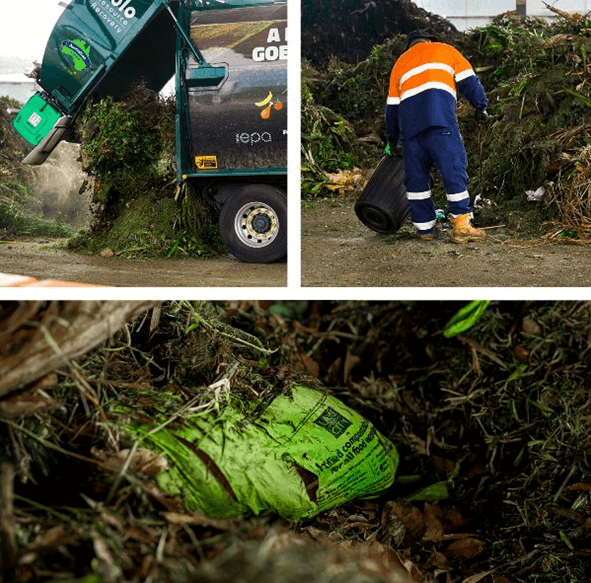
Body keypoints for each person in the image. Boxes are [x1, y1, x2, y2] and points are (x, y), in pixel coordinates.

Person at [385, 29, 489, 243]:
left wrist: (392, 139)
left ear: (410, 46)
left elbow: (392, 108)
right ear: (431, 41)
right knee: (453, 170)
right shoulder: (445, 50)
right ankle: (461, 226)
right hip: (440, 122)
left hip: (411, 133)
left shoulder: (400, 63)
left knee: (416, 180)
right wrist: (481, 107)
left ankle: (425, 230)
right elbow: (469, 82)